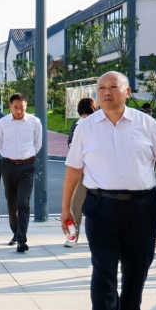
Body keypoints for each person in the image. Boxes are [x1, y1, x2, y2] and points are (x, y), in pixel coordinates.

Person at [61, 71, 156, 310]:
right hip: (100, 206)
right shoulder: (86, 128)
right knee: (103, 270)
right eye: (101, 87)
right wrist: (66, 207)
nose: (107, 92)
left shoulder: (146, 123)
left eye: (113, 86)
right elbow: (73, 169)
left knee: (137, 267)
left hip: (142, 207)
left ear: (127, 92)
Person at [0, 93, 42, 252]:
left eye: (22, 107)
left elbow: (38, 144)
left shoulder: (34, 122)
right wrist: (9, 156)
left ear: (26, 106)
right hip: (8, 166)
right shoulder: (3, 123)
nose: (19, 111)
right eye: (15, 107)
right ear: (10, 107)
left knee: (23, 202)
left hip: (27, 166)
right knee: (11, 203)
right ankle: (15, 232)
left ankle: (22, 239)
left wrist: (26, 156)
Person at [65, 97, 98, 247]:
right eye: (83, 113)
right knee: (75, 206)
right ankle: (72, 236)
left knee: (99, 206)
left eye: (89, 113)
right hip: (80, 172)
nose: (86, 116)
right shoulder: (76, 125)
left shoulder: (101, 125)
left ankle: (100, 238)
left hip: (97, 172)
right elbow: (70, 144)